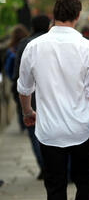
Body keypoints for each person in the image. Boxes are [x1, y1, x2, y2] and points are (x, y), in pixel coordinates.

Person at [17, 0, 89, 200]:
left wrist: (27, 112)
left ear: (54, 14)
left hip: (49, 130)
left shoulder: (35, 47)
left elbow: (24, 87)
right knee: (85, 182)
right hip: (80, 128)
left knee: (55, 188)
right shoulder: (88, 48)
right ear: (78, 15)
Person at [12, 15, 51, 180]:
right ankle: (64, 169)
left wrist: (23, 107)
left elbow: (18, 76)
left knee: (35, 135)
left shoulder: (24, 44)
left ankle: (44, 167)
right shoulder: (53, 42)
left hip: (31, 98)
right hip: (50, 96)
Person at [4, 24, 29, 131]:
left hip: (15, 79)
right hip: (27, 78)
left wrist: (11, 77)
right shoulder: (28, 46)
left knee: (19, 103)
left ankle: (22, 124)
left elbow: (7, 67)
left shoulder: (10, 50)